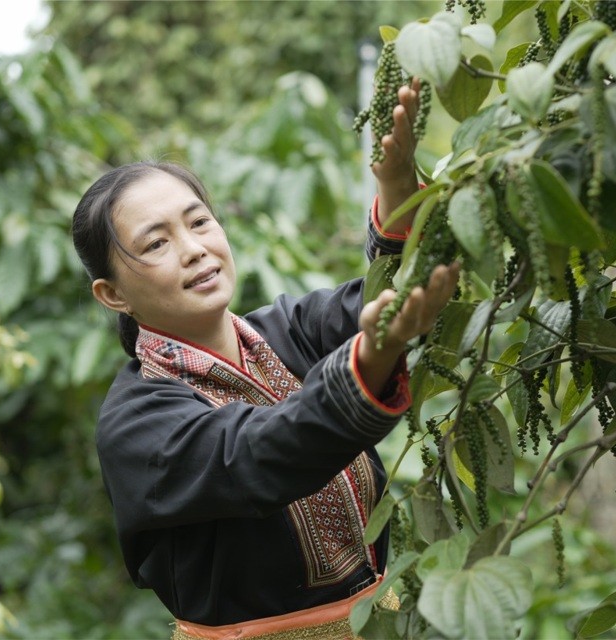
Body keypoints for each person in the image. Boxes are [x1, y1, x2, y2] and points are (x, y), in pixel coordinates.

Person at [71, 81, 459, 639]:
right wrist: (371, 357)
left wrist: (397, 188)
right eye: (156, 243)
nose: (194, 249)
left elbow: (395, 298)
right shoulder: (137, 423)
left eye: (199, 222)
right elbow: (258, 453)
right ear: (113, 294)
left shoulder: (291, 327)